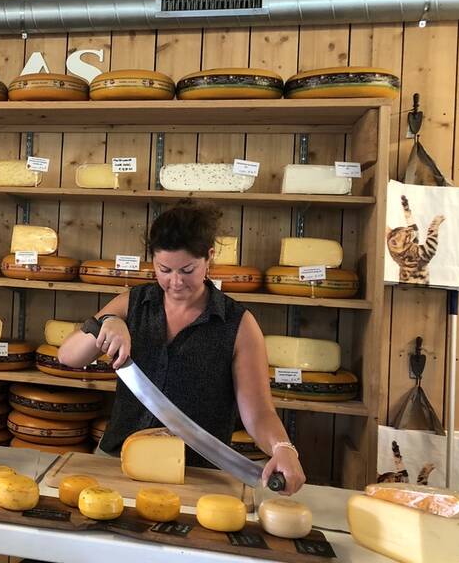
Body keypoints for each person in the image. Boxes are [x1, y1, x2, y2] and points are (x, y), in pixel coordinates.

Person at [58, 201, 306, 495]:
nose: (175, 282)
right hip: (120, 464)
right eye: (164, 270)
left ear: (209, 257)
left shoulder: (238, 324)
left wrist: (282, 447)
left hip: (198, 476)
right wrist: (109, 321)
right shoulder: (134, 303)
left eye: (187, 269)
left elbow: (258, 412)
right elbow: (68, 356)